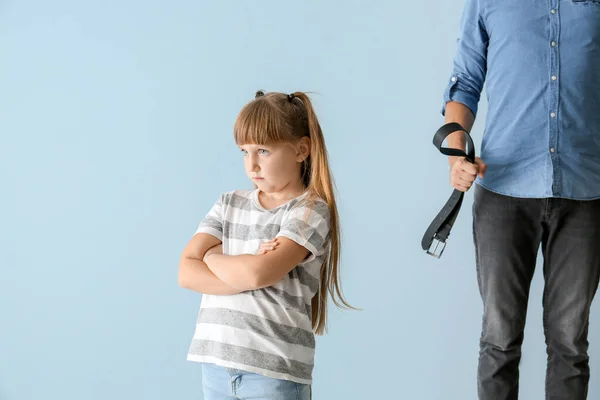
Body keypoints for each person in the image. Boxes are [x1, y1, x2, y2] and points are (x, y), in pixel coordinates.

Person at [441, 1, 600, 399]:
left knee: (570, 343)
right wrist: (456, 145)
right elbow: (466, 79)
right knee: (500, 339)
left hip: (586, 190)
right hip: (503, 190)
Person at [178, 90, 352, 399]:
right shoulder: (228, 203)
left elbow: (259, 275)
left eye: (264, 151)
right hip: (215, 364)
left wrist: (213, 257)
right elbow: (186, 272)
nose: (252, 165)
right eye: (245, 152)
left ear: (301, 150)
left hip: (274, 372)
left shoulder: (309, 211)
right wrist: (242, 270)